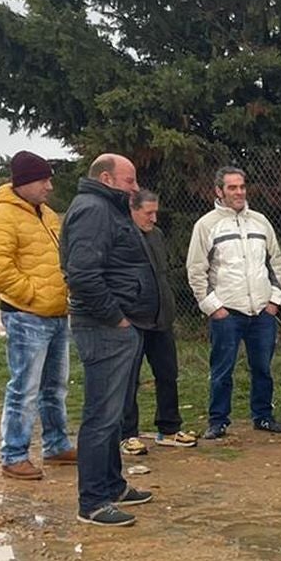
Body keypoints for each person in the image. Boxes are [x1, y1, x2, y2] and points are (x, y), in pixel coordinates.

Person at [61, 154, 157, 526]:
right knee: (101, 416)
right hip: (104, 329)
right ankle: (93, 502)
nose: (135, 188)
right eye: (129, 181)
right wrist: (116, 319)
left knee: (114, 414)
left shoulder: (107, 207)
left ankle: (113, 486)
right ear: (106, 178)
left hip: (120, 327)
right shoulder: (93, 210)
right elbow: (82, 274)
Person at [0, 151, 76, 480]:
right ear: (23, 182)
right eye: (43, 180)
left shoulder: (47, 214)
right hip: (26, 316)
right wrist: (31, 296)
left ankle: (56, 444)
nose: (49, 186)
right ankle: (14, 455)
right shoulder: (1, 217)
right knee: (25, 388)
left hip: (58, 314)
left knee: (55, 386)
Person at [186, 166, 281, 439]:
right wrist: (213, 308)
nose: (239, 192)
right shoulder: (206, 225)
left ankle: (263, 416)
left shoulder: (260, 222)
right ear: (219, 191)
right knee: (222, 370)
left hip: (262, 312)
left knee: (263, 368)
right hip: (227, 313)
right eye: (232, 187)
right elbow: (196, 270)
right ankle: (218, 421)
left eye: (242, 186)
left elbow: (275, 261)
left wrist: (275, 301)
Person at [121, 189, 197, 453]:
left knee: (167, 373)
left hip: (161, 317)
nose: (153, 218)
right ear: (133, 209)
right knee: (129, 378)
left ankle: (169, 428)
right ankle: (127, 433)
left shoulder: (157, 235)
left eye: (155, 212)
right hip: (133, 318)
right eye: (148, 213)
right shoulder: (123, 235)